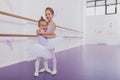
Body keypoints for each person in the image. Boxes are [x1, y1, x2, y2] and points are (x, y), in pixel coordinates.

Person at [37, 7, 57, 75]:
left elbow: (50, 33)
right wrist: (41, 32)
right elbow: (42, 28)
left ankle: (54, 69)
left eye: (49, 14)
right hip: (45, 40)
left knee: (53, 55)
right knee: (44, 55)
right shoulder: (47, 22)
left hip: (51, 41)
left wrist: (41, 33)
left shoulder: (53, 24)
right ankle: (45, 67)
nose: (47, 16)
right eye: (46, 14)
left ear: (53, 14)